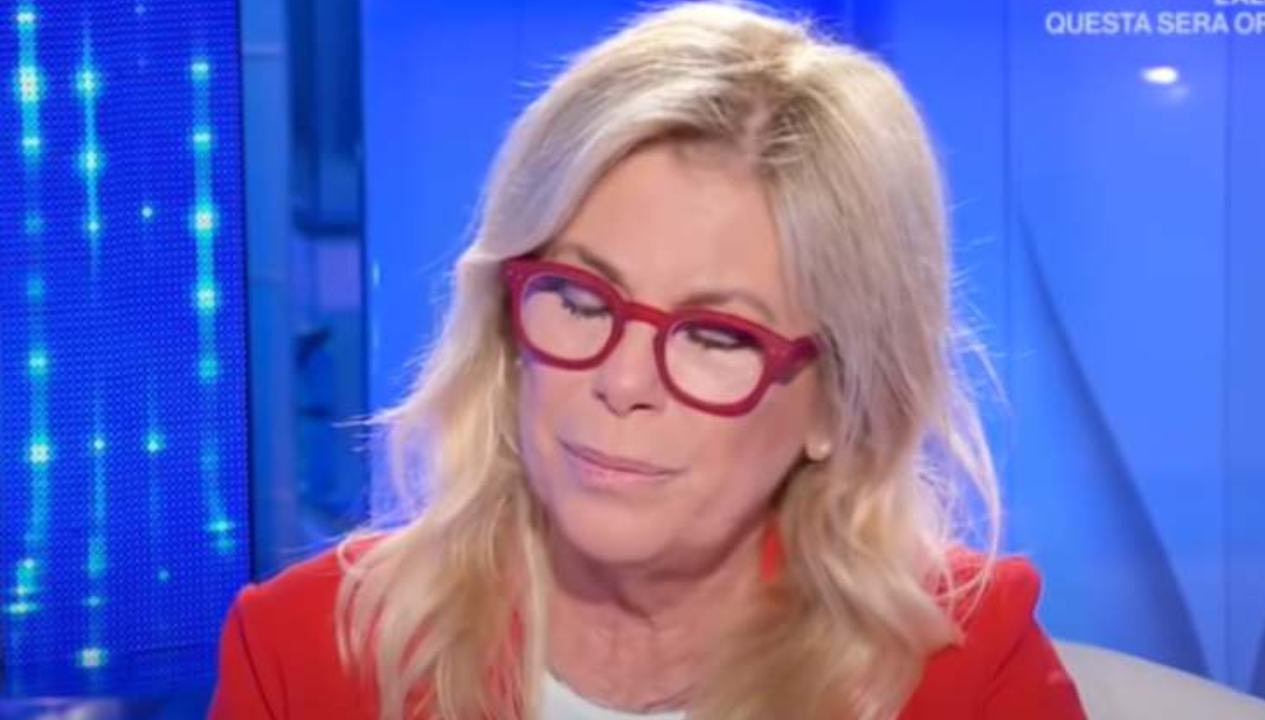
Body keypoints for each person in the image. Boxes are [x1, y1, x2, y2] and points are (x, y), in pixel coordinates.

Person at [209, 2, 1086, 718]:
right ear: (506, 321)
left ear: (836, 401)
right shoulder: (308, 656)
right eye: (581, 299)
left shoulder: (961, 673)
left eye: (717, 336)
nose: (622, 382)